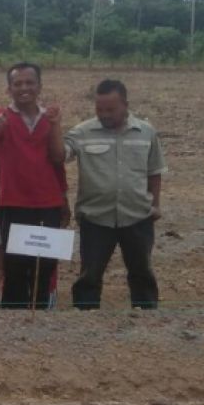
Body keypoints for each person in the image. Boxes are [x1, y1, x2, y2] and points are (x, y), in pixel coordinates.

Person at [65, 79, 165, 309]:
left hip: (138, 216)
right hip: (96, 218)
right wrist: (52, 125)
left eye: (110, 109)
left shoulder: (146, 132)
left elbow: (155, 171)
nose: (104, 114)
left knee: (141, 270)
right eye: (99, 109)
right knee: (90, 273)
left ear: (125, 104)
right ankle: (85, 313)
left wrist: (156, 205)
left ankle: (147, 313)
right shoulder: (82, 132)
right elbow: (60, 154)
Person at [0, 62, 69, 309]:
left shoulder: (49, 118)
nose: (24, 88)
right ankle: (12, 315)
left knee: (46, 264)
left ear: (39, 86)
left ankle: (43, 310)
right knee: (14, 264)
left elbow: (58, 156)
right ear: (8, 89)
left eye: (29, 83)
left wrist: (55, 125)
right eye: (17, 83)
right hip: (14, 202)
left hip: (48, 203)